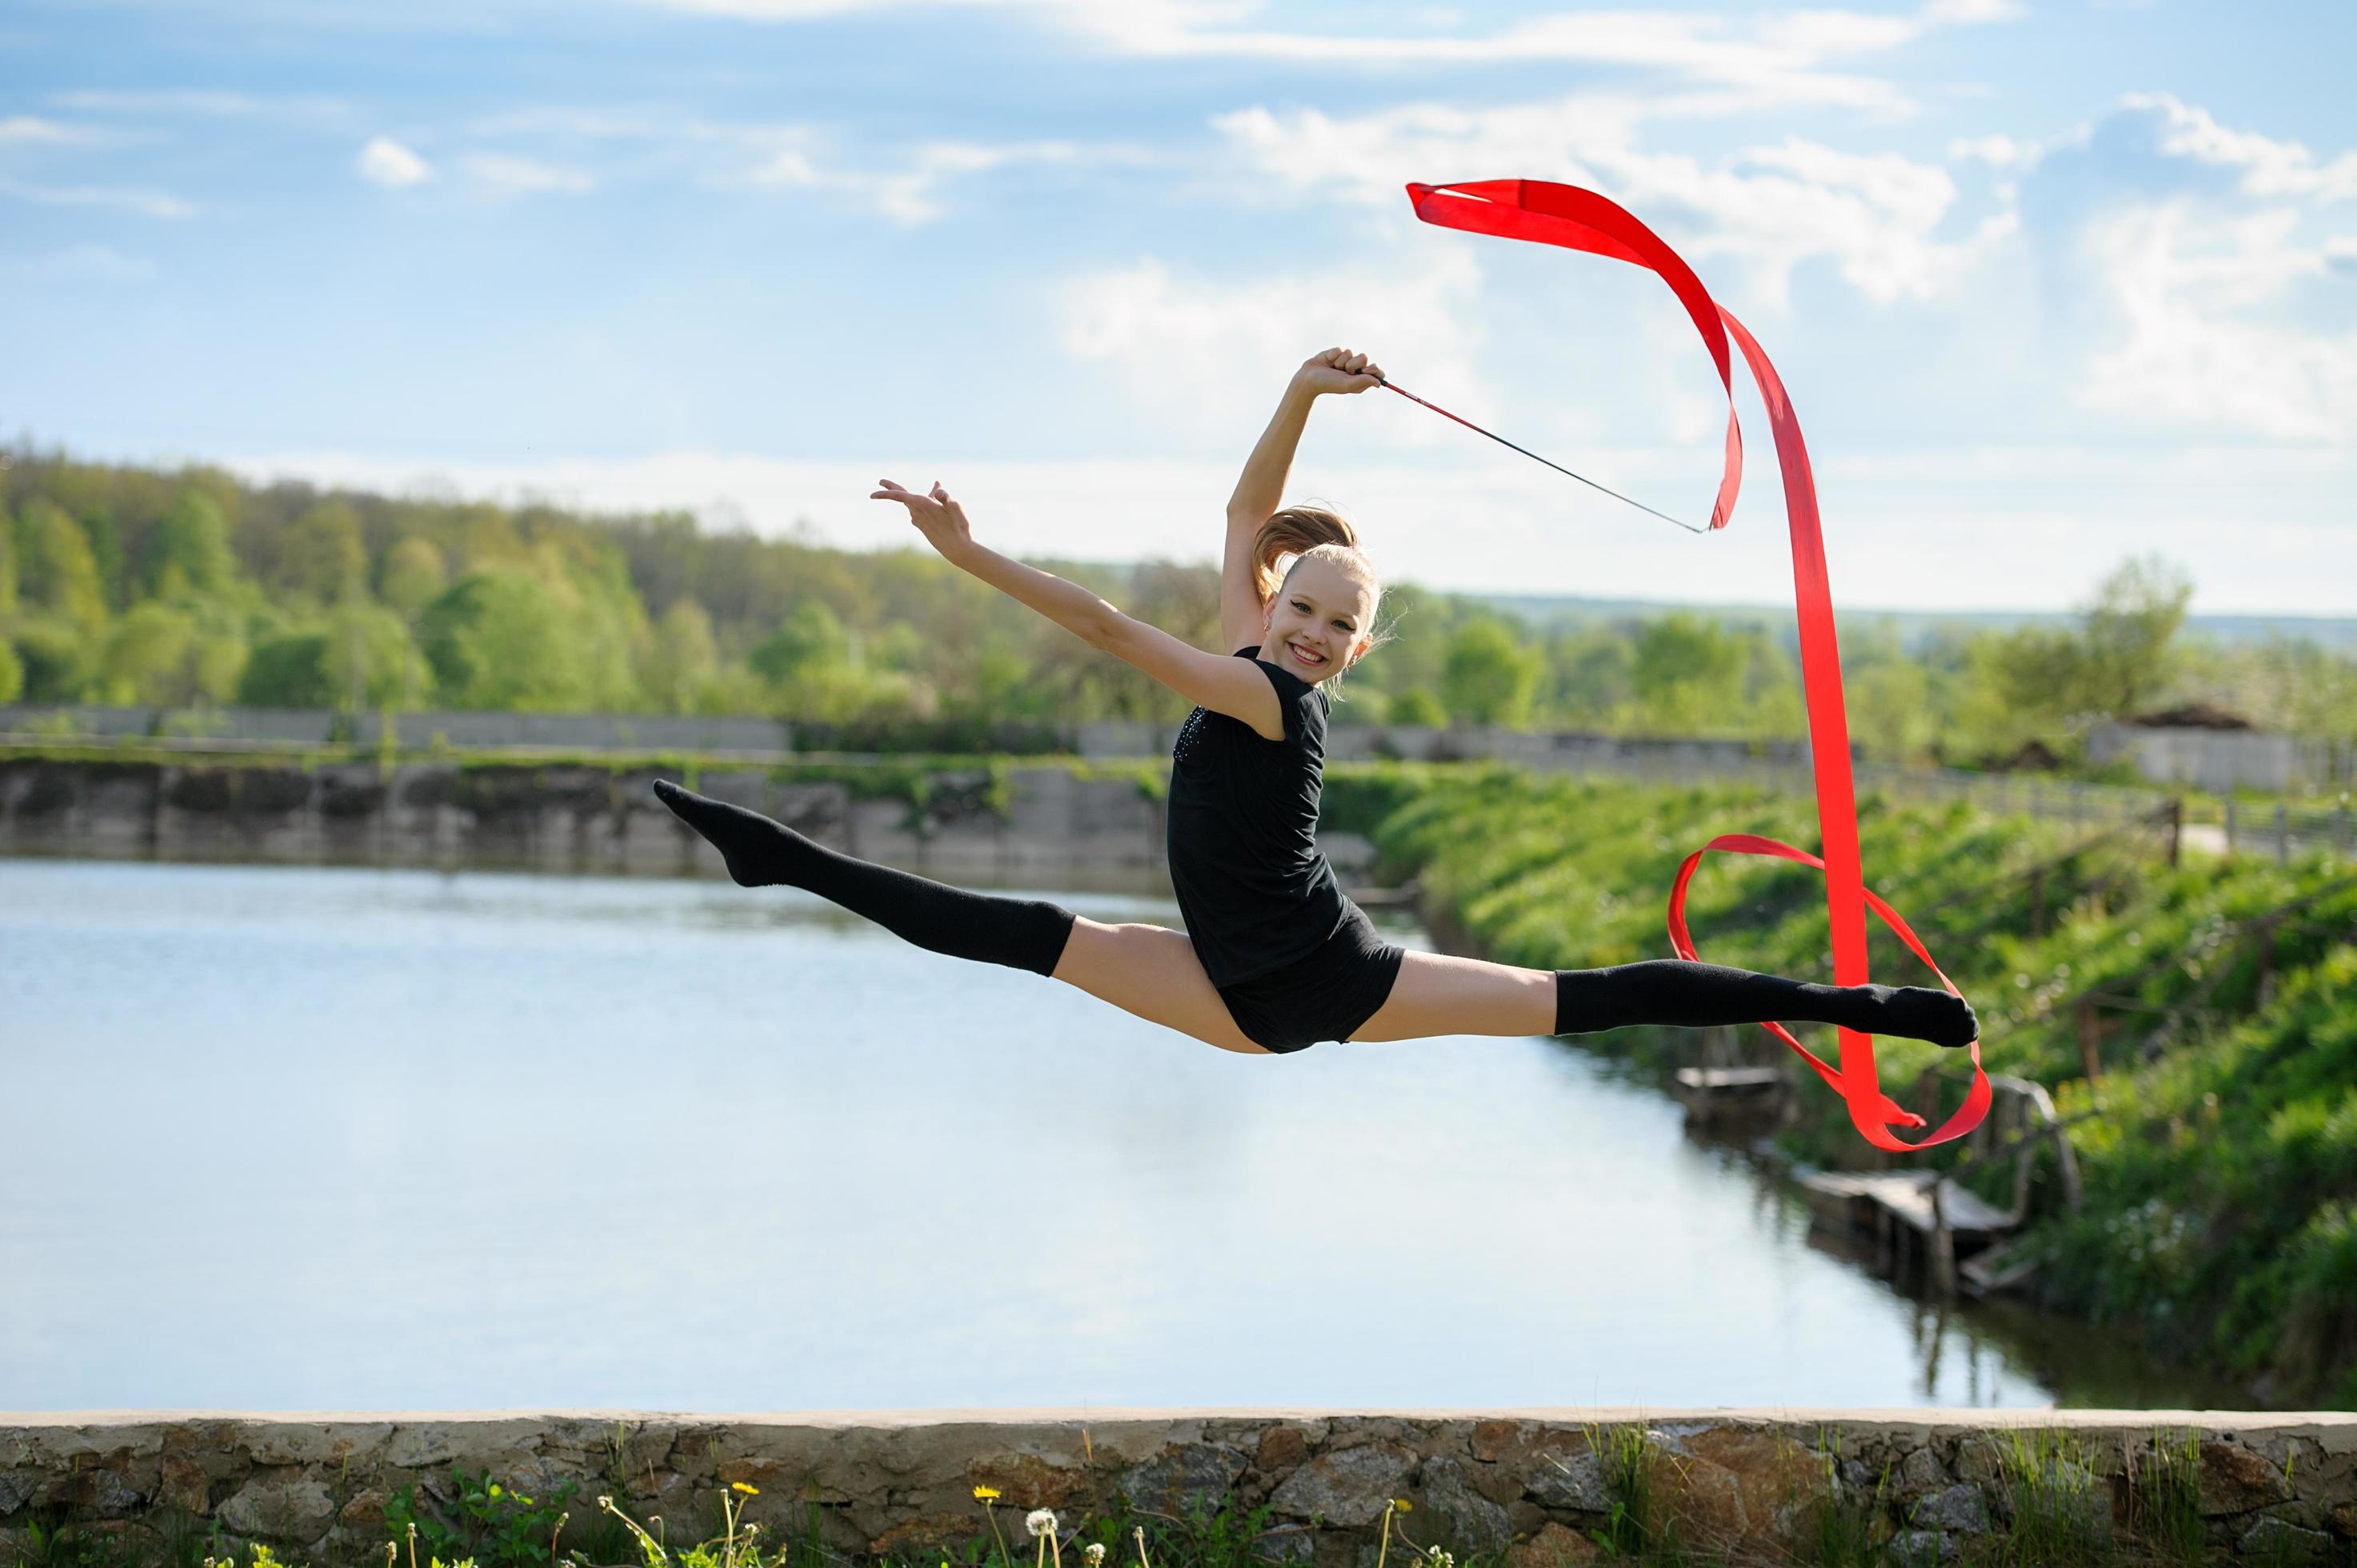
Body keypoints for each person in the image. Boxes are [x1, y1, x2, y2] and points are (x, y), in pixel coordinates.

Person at [653, 346, 1978, 1058]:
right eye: (1302, 608)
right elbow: (1242, 513)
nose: (1313, 630)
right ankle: (778, 860)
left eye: (1340, 625)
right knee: (1023, 934)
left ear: (1353, 649)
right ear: (1280, 604)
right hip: (1235, 997)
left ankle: (1857, 1009)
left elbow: (1107, 626)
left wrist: (965, 554)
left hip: (1331, 977)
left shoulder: (1261, 697)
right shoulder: (1254, 660)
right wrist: (1299, 392)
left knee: (1585, 995)